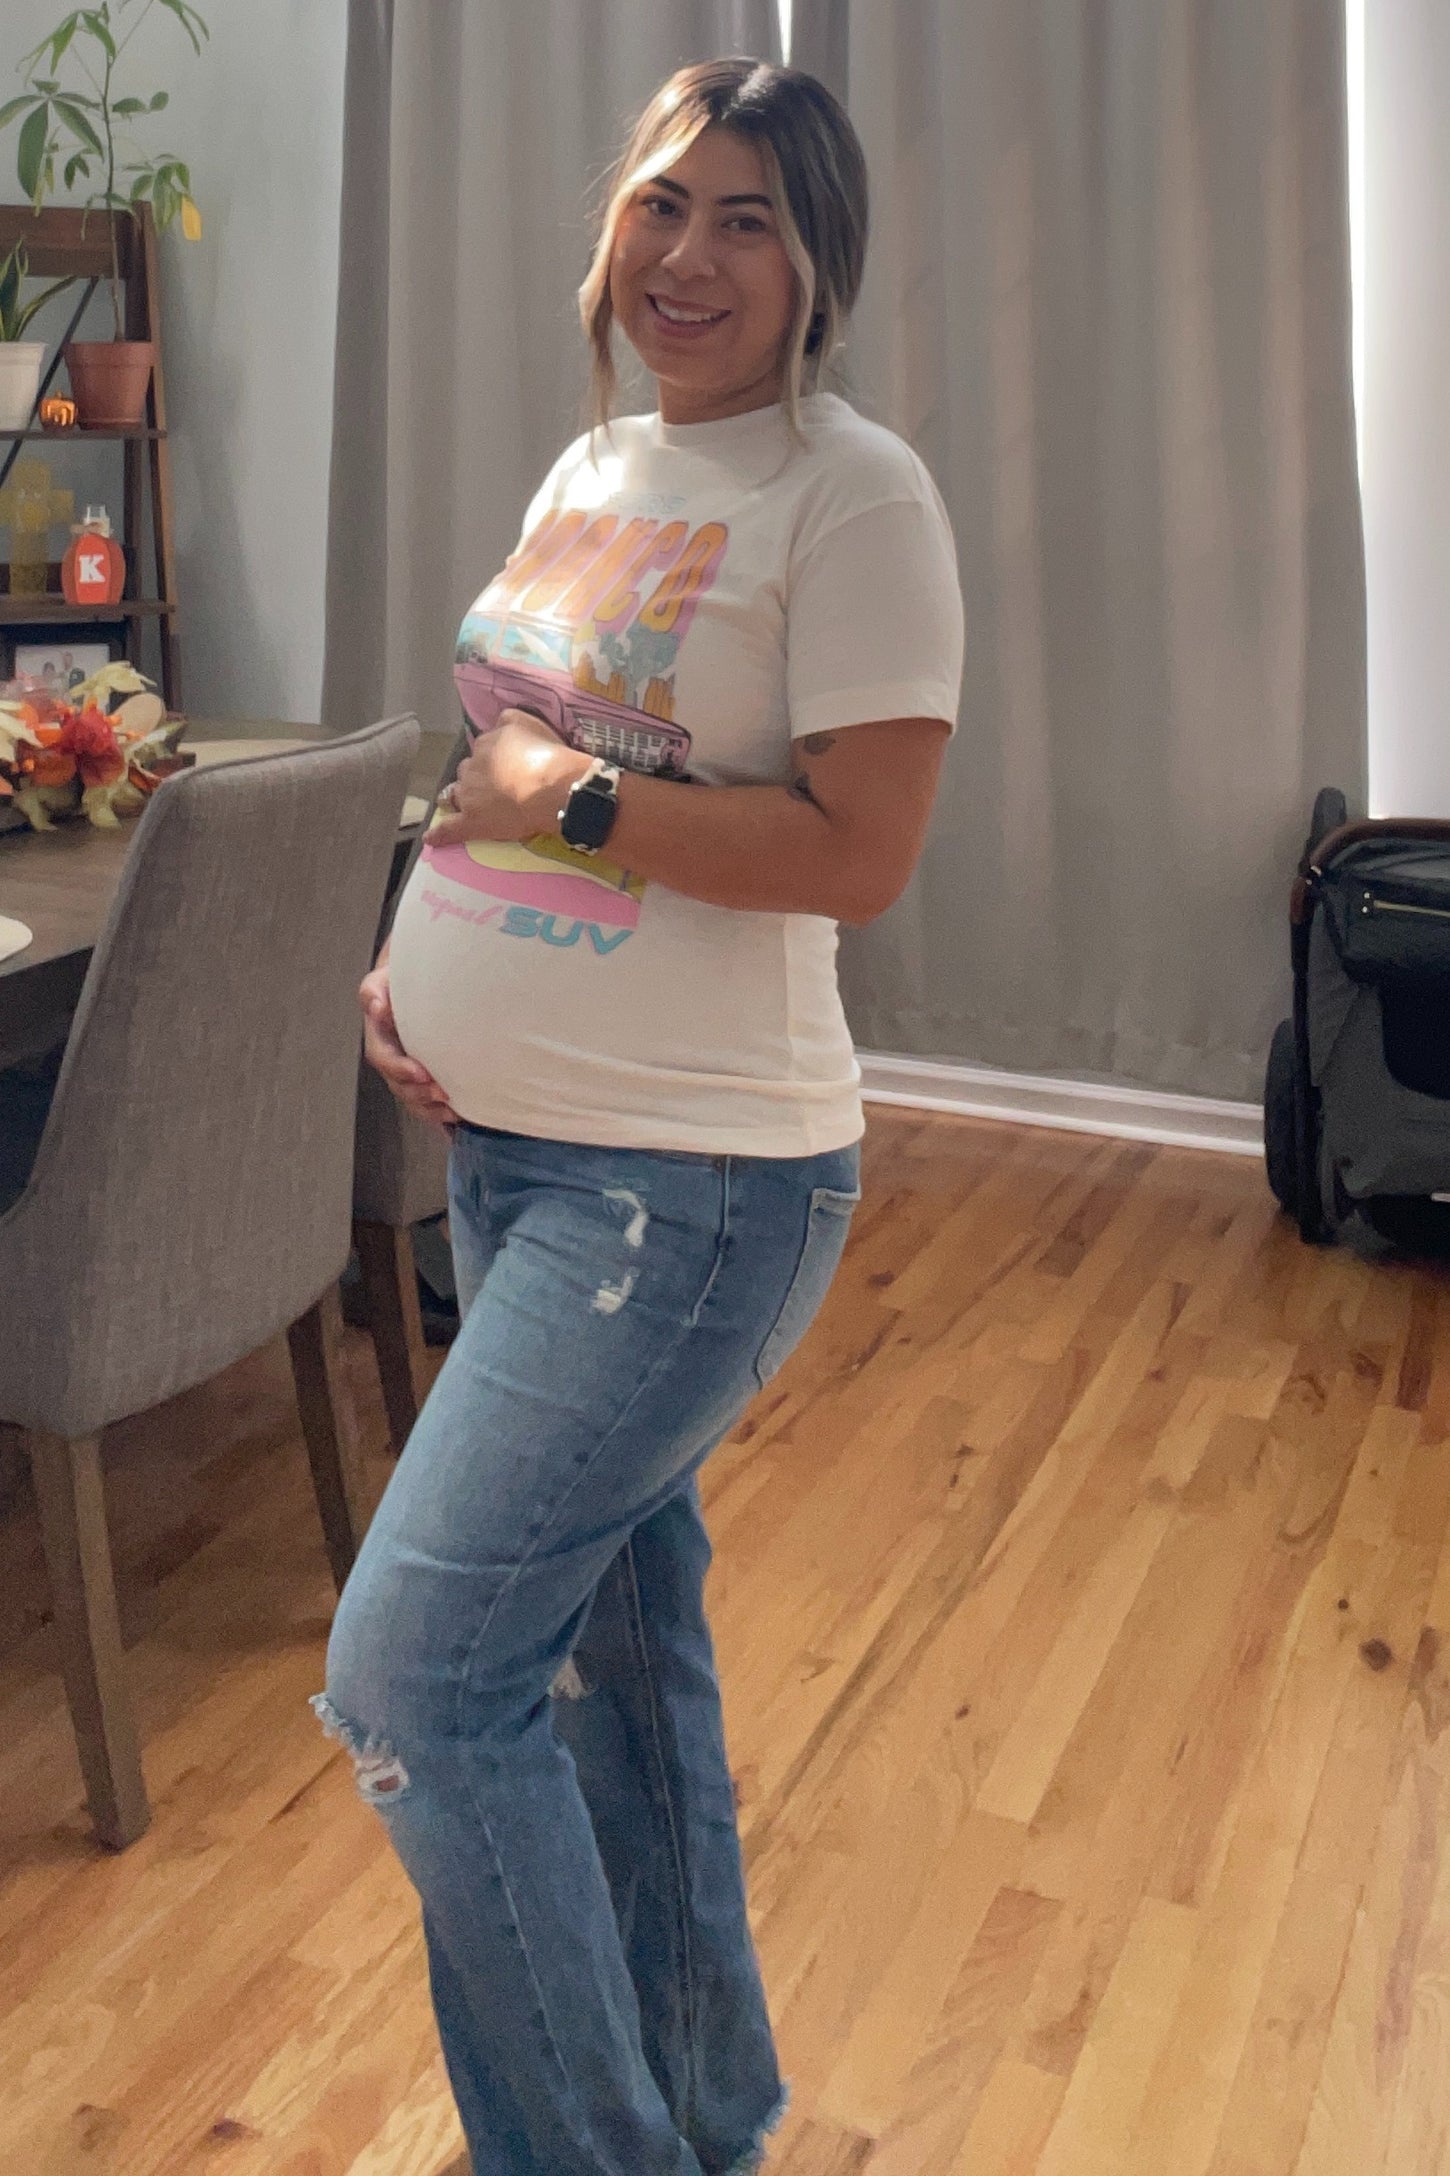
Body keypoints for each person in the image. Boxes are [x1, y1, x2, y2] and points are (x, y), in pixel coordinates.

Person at [316, 56, 964, 2176]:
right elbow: (497, 762)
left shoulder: (853, 495)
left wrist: (566, 805)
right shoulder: (595, 460)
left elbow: (858, 851)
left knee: (418, 1683)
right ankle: (705, 2120)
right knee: (615, 1679)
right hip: (512, 1158)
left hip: (684, 1191)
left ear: (816, 264)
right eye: (664, 204)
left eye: (748, 217)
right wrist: (415, 954)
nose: (689, 254)